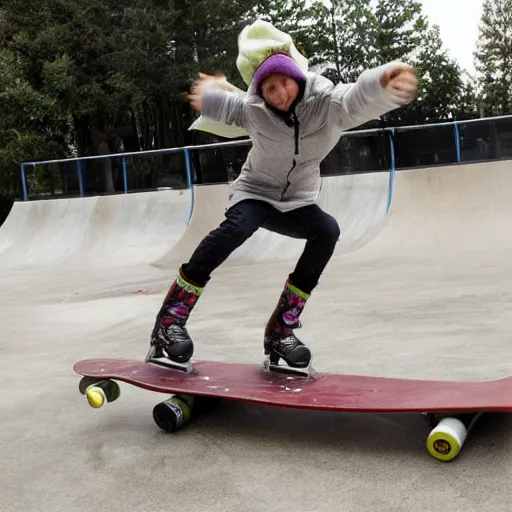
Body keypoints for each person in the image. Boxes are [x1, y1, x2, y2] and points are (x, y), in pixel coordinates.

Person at [146, 20, 418, 373]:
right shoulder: (254, 109)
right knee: (237, 228)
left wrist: (384, 81)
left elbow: (356, 99)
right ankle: (170, 321)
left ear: (297, 79)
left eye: (284, 84)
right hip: (254, 193)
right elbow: (228, 106)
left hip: (298, 201)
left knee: (327, 231)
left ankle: (281, 330)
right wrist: (209, 95)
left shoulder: (327, 105)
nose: (279, 95)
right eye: (270, 89)